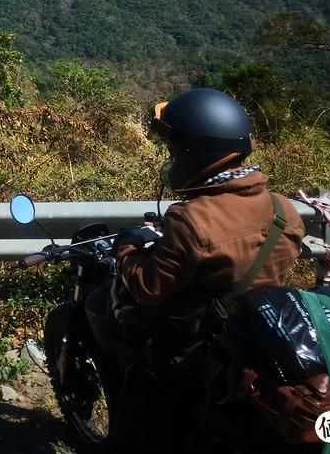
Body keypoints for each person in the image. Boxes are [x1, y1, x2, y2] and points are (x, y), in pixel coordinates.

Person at [108, 88, 306, 450]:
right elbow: (234, 251)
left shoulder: (190, 218)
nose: (170, 159)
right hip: (258, 336)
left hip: (201, 346)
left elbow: (150, 289)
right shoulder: (283, 209)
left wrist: (127, 249)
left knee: (129, 426)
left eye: (172, 152)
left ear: (191, 154)